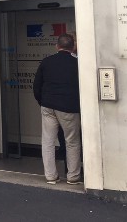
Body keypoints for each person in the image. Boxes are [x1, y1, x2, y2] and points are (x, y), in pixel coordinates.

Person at [33, 33, 82, 185]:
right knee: (72, 141)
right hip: (69, 107)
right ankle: (73, 177)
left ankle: (51, 176)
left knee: (47, 141)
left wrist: (43, 102)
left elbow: (36, 86)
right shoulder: (78, 63)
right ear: (73, 47)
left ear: (57, 46)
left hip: (48, 106)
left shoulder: (47, 61)